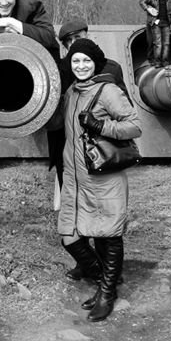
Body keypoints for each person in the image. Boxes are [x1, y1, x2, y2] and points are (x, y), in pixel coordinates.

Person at [58, 38, 142, 322]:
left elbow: (135, 125)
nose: (81, 66)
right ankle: (106, 282)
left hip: (103, 177)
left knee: (108, 237)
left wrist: (101, 125)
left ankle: (106, 293)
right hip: (76, 179)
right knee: (70, 237)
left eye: (86, 61)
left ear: (95, 63)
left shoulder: (108, 91)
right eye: (76, 61)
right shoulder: (71, 92)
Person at [49, 22, 132, 282]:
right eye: (68, 40)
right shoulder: (62, 71)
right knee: (75, 212)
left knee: (102, 218)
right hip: (69, 151)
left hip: (99, 154)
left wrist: (99, 124)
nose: (74, 41)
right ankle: (89, 266)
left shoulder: (111, 69)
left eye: (78, 36)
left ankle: (107, 277)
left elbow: (126, 113)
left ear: (87, 36)